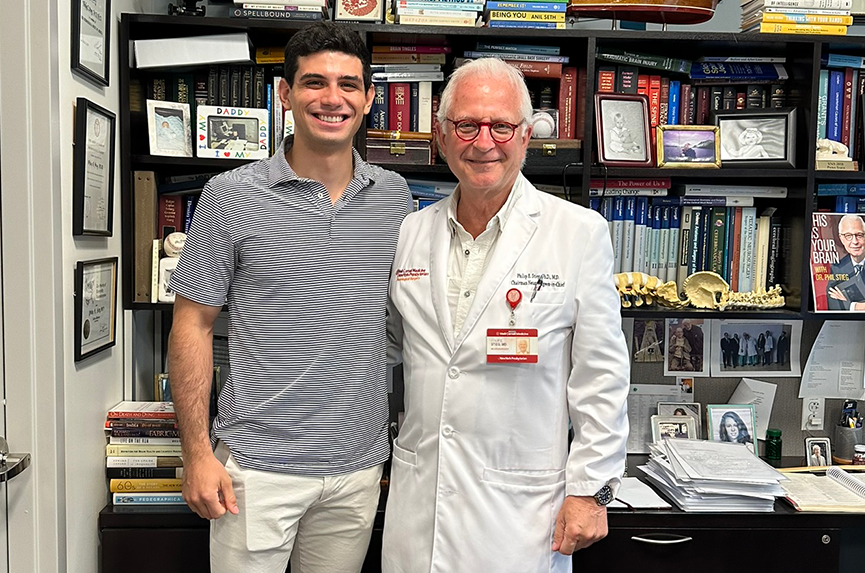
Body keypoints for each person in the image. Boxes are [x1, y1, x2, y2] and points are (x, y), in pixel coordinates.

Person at [165, 23, 412, 573]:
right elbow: (192, 326)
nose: (332, 98)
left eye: (349, 84)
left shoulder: (395, 198)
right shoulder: (231, 194)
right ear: (285, 94)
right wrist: (197, 454)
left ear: (369, 99)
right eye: (314, 82)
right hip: (257, 470)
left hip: (357, 469)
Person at [383, 57, 631, 573]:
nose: (484, 142)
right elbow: (388, 347)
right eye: (467, 125)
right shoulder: (410, 232)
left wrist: (591, 491)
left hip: (520, 516)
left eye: (501, 126)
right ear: (442, 136)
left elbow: (602, 377)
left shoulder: (578, 234)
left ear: (525, 136)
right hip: (419, 507)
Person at [827, 214, 865, 311]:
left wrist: (847, 302)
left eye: (859, 235)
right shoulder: (837, 268)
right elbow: (833, 305)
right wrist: (861, 306)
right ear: (841, 239)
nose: (855, 241)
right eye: (848, 236)